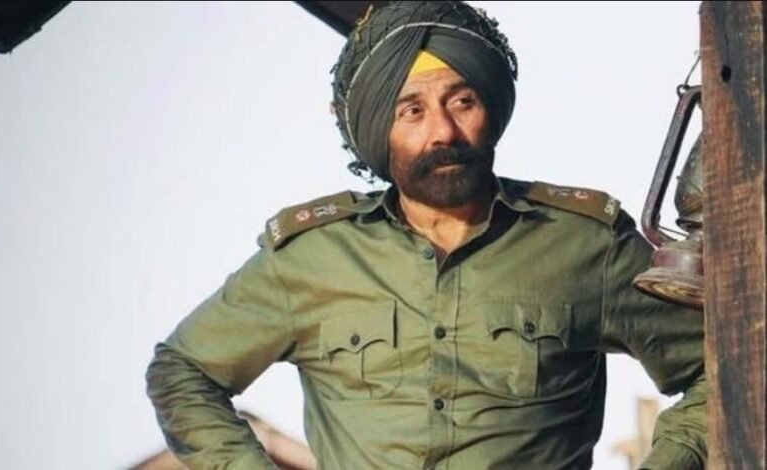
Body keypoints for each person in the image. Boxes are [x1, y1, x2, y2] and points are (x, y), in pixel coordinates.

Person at [145, 2, 707, 469]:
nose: (442, 131)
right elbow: (182, 370)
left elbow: (717, 366)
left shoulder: (584, 245)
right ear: (379, 132)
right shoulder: (310, 257)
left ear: (489, 109)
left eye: (462, 102)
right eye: (411, 111)